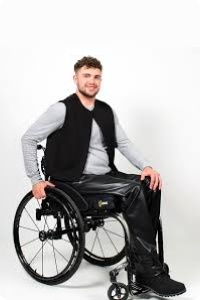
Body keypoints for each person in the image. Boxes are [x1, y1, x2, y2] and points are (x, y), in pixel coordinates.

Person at [21, 56, 186, 297]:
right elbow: (28, 138)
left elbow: (124, 143)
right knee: (133, 191)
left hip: (105, 177)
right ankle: (149, 272)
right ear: (75, 78)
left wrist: (147, 166)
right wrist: (36, 179)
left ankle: (144, 267)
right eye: (86, 75)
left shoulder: (105, 112)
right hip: (73, 181)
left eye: (96, 76)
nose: (92, 80)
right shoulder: (61, 110)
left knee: (150, 184)